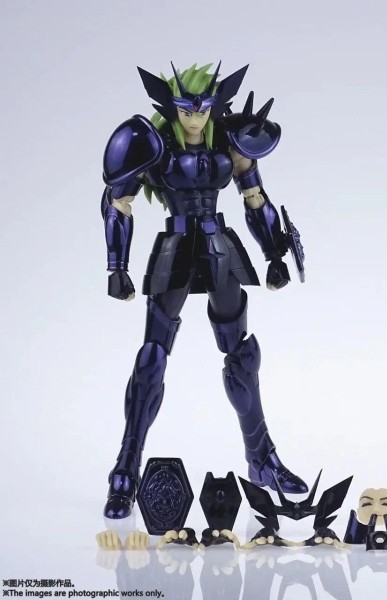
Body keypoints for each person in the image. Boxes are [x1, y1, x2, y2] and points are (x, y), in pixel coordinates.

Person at [101, 62, 308, 519]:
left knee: (242, 356)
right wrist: (117, 267)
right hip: (175, 249)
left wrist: (274, 254)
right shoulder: (154, 148)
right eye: (185, 109)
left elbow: (255, 198)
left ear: (214, 106)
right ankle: (125, 469)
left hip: (219, 249)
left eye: (202, 109)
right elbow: (118, 201)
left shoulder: (229, 146)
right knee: (152, 357)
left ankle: (262, 460)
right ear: (171, 107)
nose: (195, 117)